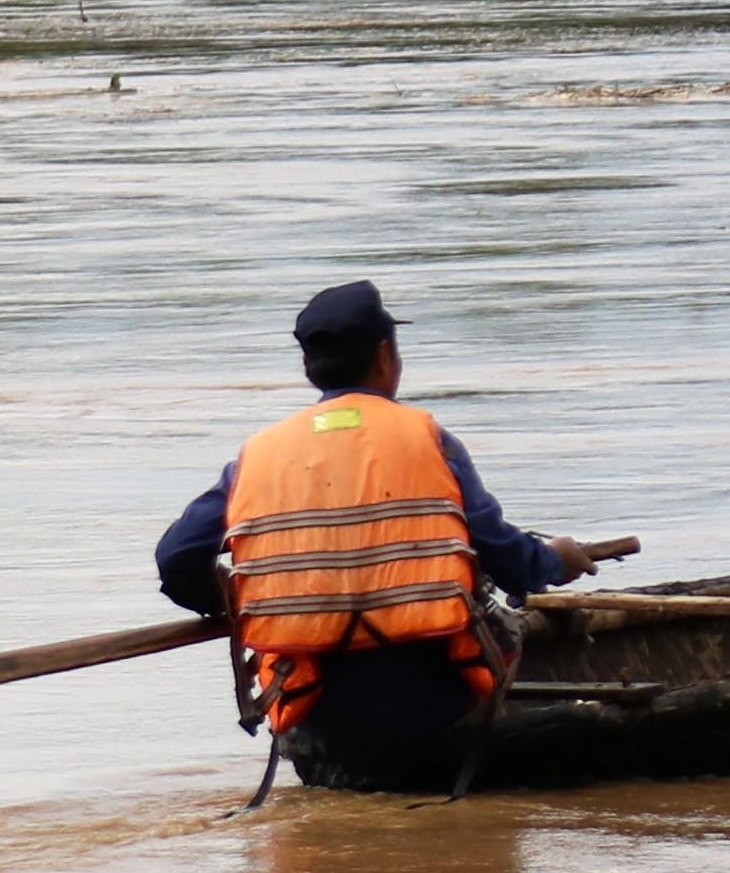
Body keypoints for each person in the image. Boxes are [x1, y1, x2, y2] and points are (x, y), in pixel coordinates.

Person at [156, 283, 606, 764]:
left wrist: (227, 603)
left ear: (309, 368)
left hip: (317, 708)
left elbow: (177, 558)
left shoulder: (256, 457)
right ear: (386, 357)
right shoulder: (430, 440)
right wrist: (556, 560)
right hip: (437, 702)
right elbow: (507, 558)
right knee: (502, 617)